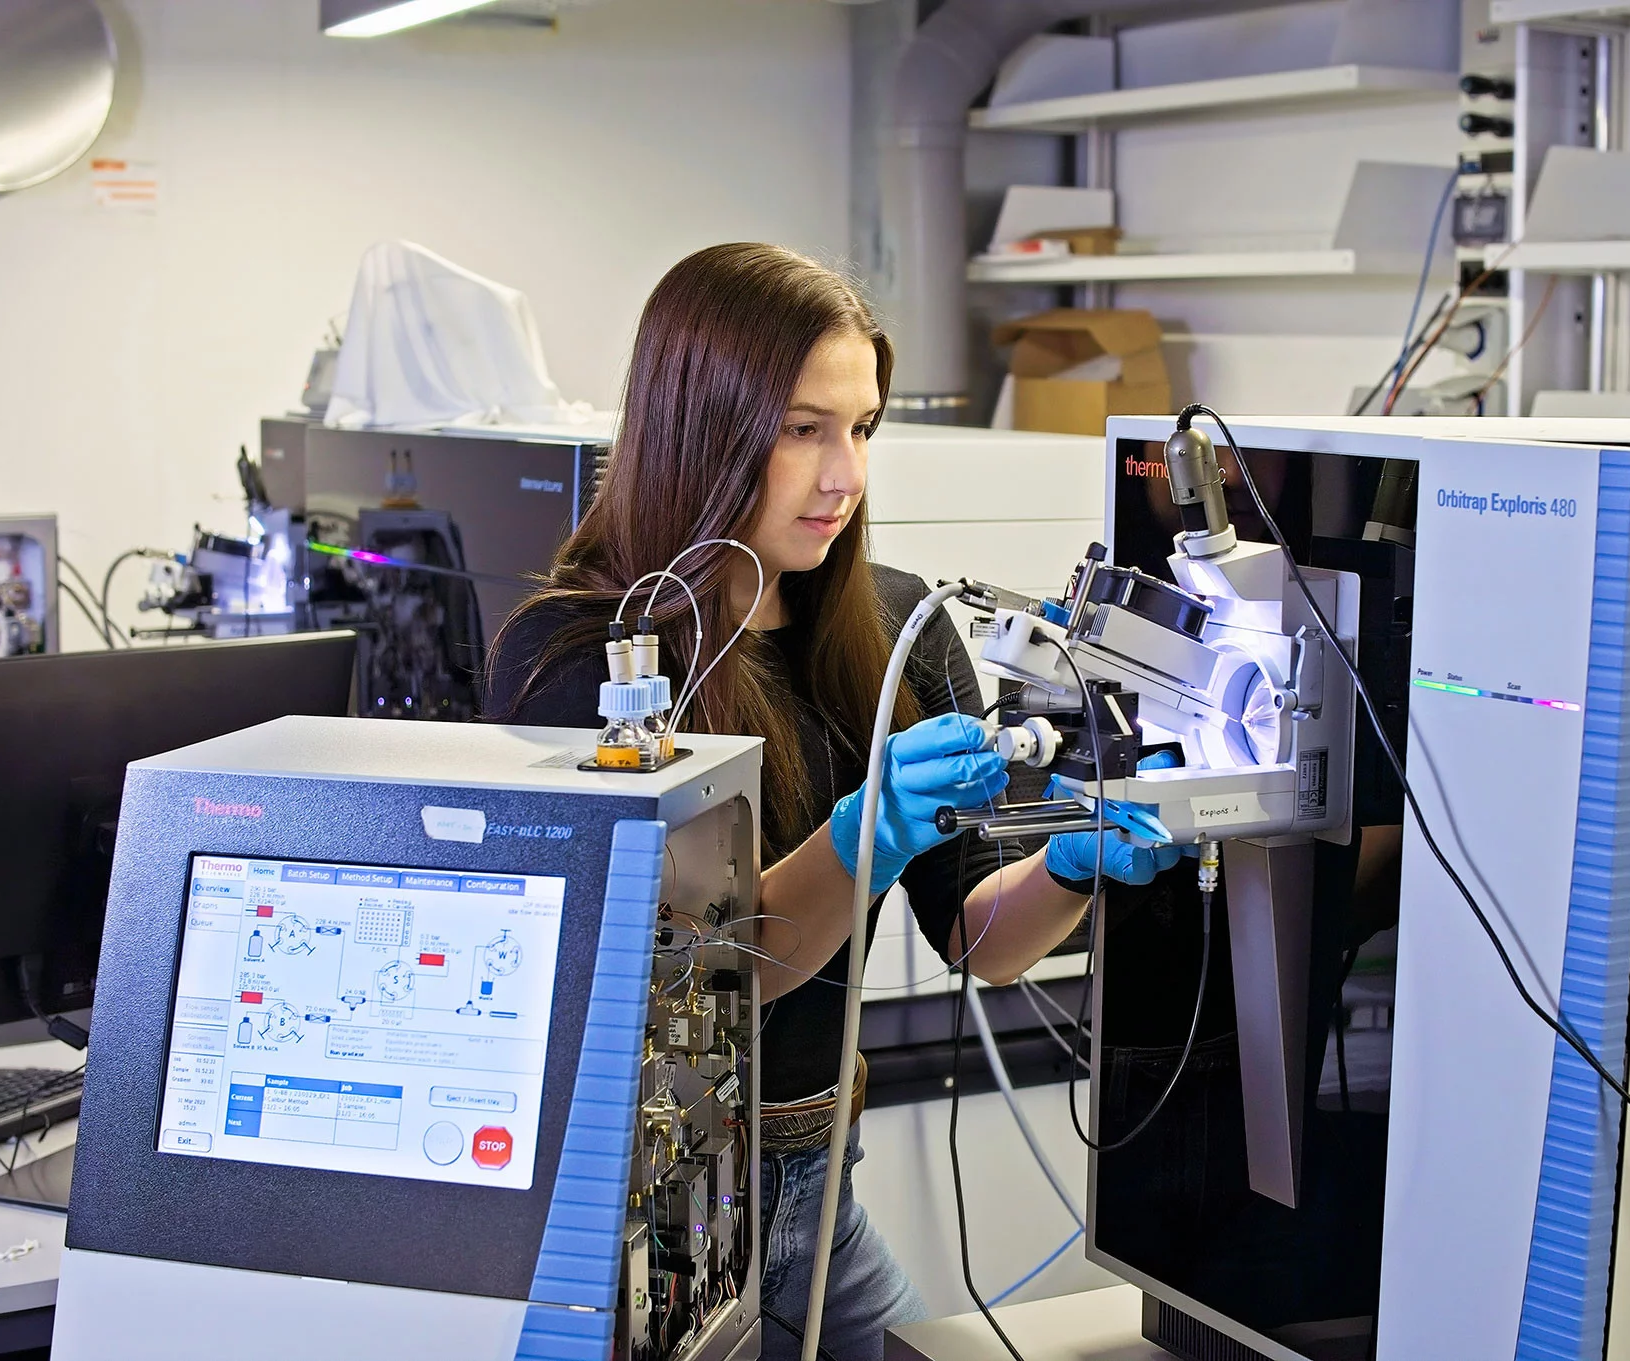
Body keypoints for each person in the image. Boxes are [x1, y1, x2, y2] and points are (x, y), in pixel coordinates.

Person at [481, 243, 1173, 1361]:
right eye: (803, 429)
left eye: (862, 428)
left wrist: (1066, 868)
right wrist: (867, 831)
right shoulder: (579, 661)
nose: (843, 475)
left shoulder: (893, 627)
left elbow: (977, 939)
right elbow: (699, 994)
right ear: (701, 426)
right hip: (657, 1221)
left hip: (819, 1191)